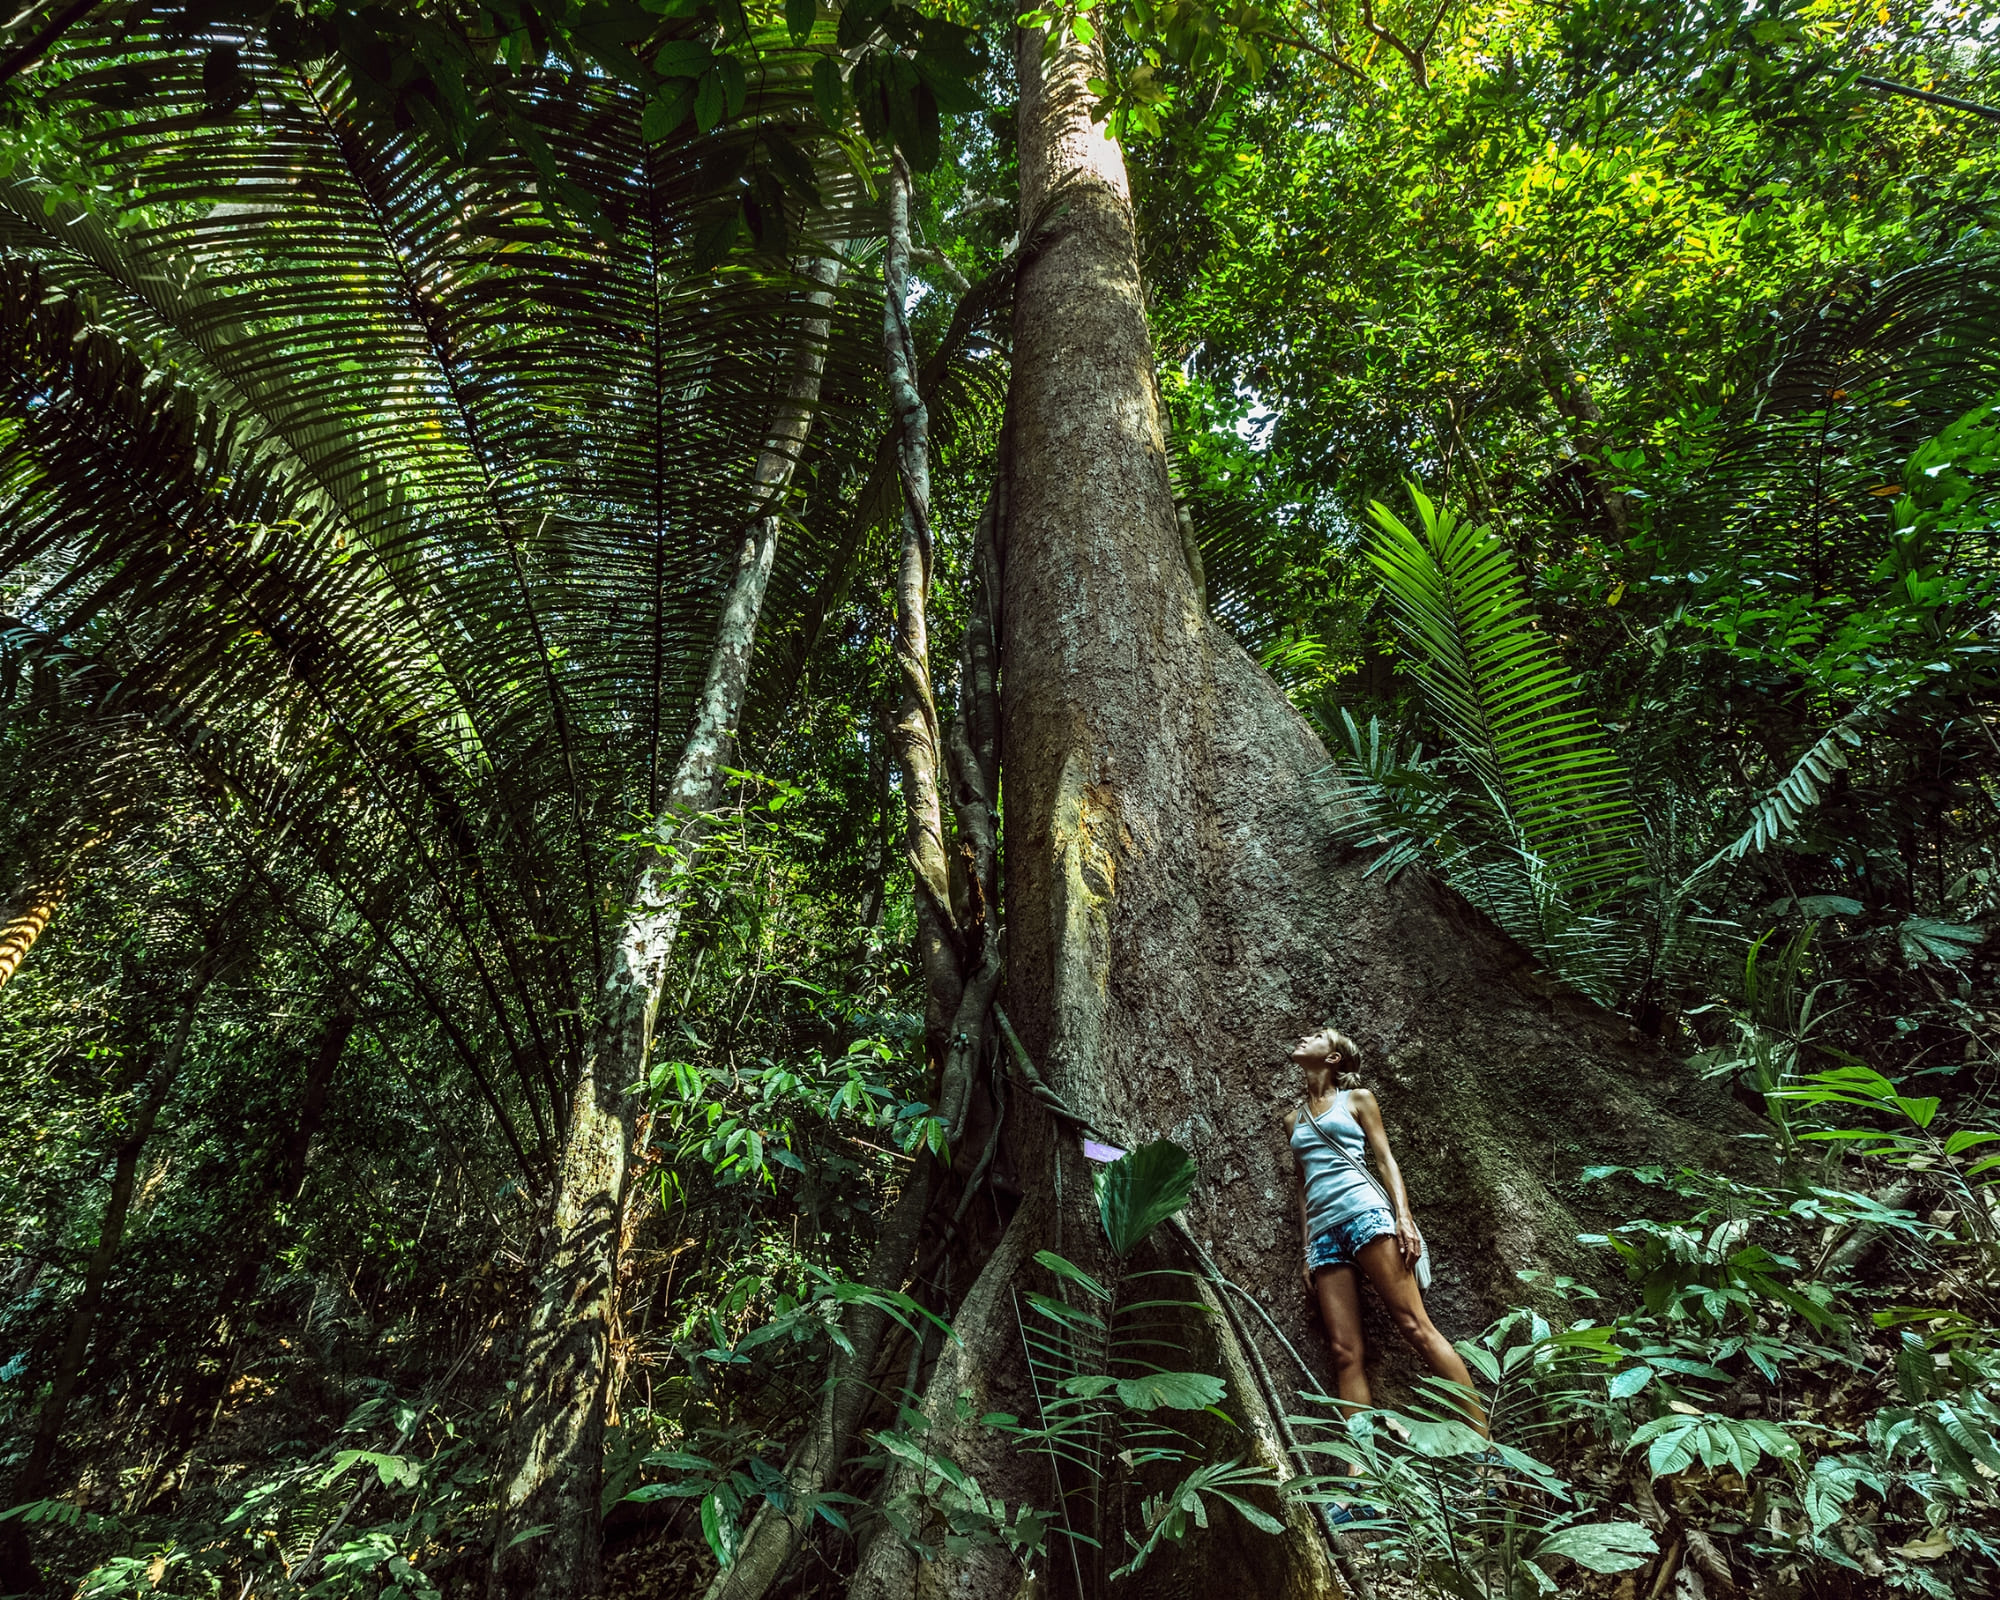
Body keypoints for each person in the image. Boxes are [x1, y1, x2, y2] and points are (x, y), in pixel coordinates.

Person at [1286, 1027, 1487, 1437]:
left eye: (1318, 1035)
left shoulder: (1357, 1100)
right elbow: (1303, 1189)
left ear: (1333, 1058)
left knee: (1415, 1326)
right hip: (1324, 1235)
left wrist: (1404, 1218)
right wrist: (1306, 1251)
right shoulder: (1293, 1121)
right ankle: (1360, 1468)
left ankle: (1483, 1444)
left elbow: (1385, 1160)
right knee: (1344, 1353)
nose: (1305, 1037)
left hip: (1366, 1215)